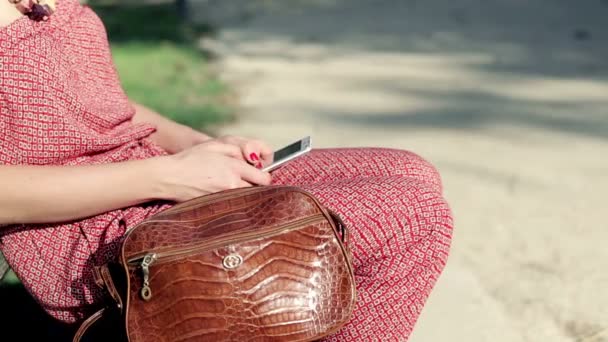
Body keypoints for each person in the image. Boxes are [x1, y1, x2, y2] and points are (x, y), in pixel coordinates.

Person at [0, 0, 454, 340]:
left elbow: (100, 101)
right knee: (410, 216)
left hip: (153, 174)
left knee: (410, 173)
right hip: (98, 236)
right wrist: (169, 176)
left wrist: (203, 146)